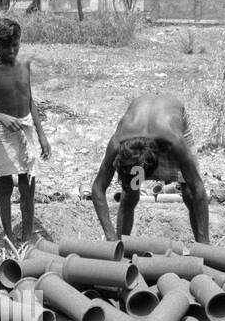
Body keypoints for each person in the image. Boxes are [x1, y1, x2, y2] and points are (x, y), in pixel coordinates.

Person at [0, 17, 51, 243]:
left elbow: (30, 100)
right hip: (4, 133)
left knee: (28, 184)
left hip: (26, 129)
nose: (12, 50)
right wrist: (0, 116)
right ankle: (7, 233)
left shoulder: (25, 64)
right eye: (6, 46)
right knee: (5, 184)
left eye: (15, 45)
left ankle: (27, 233)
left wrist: (42, 135)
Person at [89, 94, 210, 243]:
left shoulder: (174, 142)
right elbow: (98, 188)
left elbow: (197, 187)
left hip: (169, 122)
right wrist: (111, 238)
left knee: (189, 193)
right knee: (130, 192)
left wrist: (206, 246)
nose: (139, 179)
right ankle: (121, 243)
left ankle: (202, 245)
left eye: (140, 176)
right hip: (143, 127)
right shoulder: (118, 142)